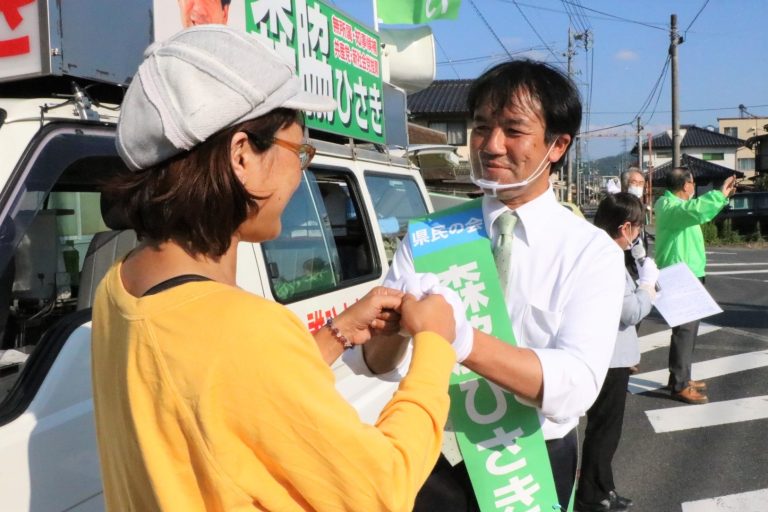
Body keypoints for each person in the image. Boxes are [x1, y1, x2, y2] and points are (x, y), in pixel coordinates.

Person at [91, 26, 461, 511]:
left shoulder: (118, 284)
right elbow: (383, 488)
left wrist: (336, 333)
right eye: (299, 150)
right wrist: (434, 344)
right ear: (242, 155)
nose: (301, 168)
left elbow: (221, 392)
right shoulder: (244, 331)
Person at [363, 59, 625, 510]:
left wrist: (459, 338)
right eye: (481, 127)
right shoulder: (430, 234)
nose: (491, 145)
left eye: (514, 130)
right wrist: (389, 328)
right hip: (432, 450)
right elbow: (376, 362)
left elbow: (576, 386)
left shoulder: (590, 251)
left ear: (557, 145)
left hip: (529, 458)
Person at [575, 193, 660, 512]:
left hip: (608, 355)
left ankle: (604, 487)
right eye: (638, 228)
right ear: (625, 227)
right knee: (604, 430)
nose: (640, 235)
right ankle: (592, 494)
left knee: (604, 430)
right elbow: (631, 311)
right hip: (609, 359)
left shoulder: (597, 249)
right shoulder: (609, 259)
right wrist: (648, 285)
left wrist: (639, 258)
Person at [654, 167, 736, 404]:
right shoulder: (669, 206)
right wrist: (719, 194)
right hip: (679, 275)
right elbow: (697, 210)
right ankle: (680, 384)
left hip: (687, 273)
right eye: (692, 183)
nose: (694, 187)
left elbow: (700, 212)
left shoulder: (676, 207)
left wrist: (721, 197)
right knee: (684, 331)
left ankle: (680, 378)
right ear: (685, 186)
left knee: (686, 331)